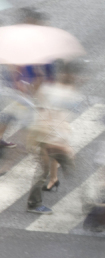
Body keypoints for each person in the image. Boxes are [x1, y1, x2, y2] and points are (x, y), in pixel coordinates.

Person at [26, 62, 82, 215]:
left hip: (52, 138)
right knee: (44, 171)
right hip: (49, 140)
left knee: (73, 170)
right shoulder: (55, 93)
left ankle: (88, 204)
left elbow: (54, 117)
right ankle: (34, 204)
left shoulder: (55, 91)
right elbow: (46, 118)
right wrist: (62, 143)